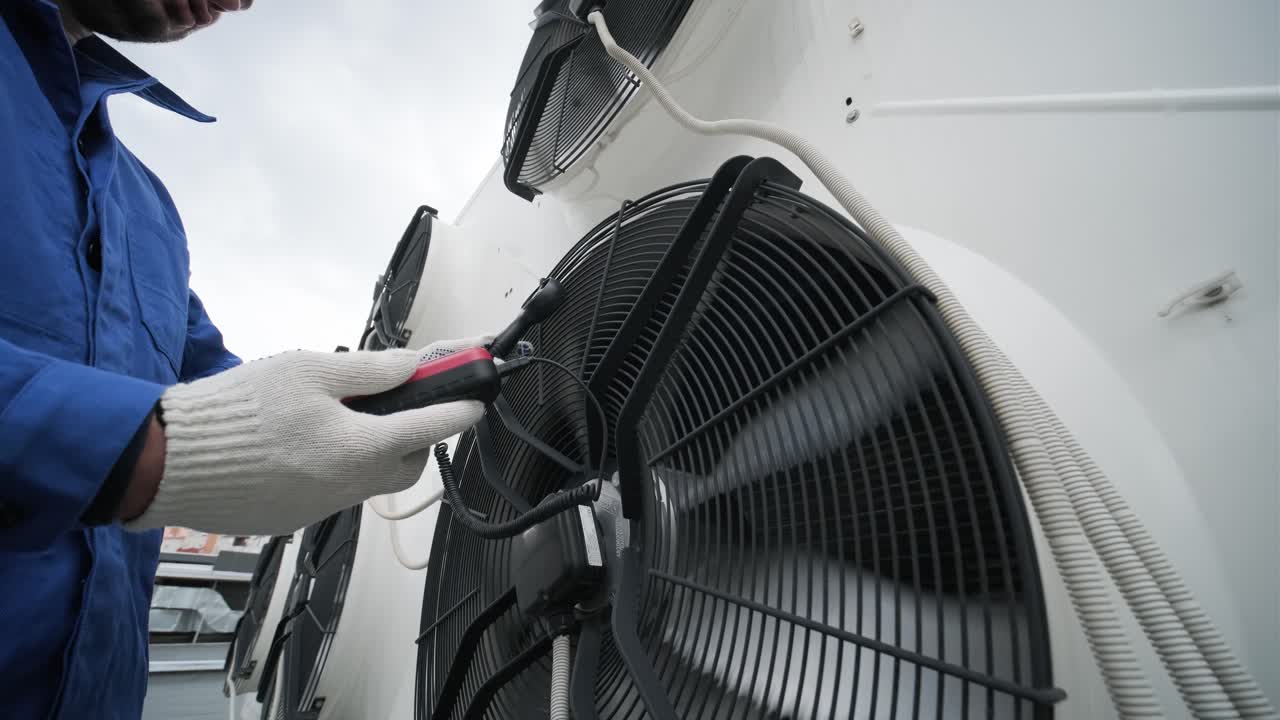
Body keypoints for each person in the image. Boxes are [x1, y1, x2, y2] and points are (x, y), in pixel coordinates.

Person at [0, 2, 486, 717]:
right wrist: (152, 453)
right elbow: (183, 434)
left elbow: (215, 379)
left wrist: (376, 401)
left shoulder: (149, 210)